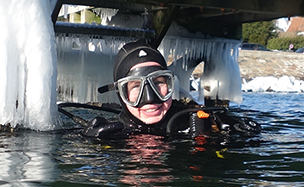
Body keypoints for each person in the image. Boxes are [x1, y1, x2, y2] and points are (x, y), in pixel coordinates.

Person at [81, 41, 260, 141]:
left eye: (159, 82)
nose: (150, 98)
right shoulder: (112, 133)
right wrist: (89, 142)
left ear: (170, 83)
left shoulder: (193, 119)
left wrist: (237, 134)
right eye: (136, 86)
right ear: (121, 94)